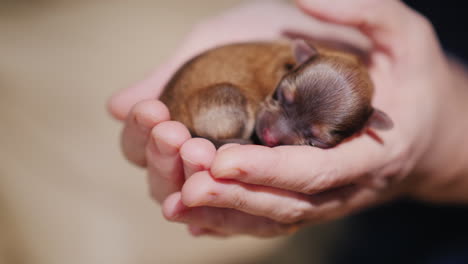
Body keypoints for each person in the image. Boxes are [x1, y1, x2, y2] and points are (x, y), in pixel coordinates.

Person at [108, 0, 468, 261]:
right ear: (298, 58)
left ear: (371, 126)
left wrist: (447, 143)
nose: (273, 132)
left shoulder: (300, 74)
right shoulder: (278, 60)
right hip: (215, 107)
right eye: (281, 98)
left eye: (312, 137)